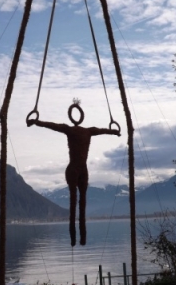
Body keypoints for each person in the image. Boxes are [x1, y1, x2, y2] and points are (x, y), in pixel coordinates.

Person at [27, 101, 120, 246]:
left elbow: (52, 125)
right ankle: (78, 238)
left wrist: (36, 121)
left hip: (78, 170)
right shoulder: (88, 131)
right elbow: (103, 130)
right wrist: (114, 131)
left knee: (76, 204)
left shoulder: (70, 129)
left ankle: (77, 239)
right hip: (79, 170)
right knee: (79, 204)